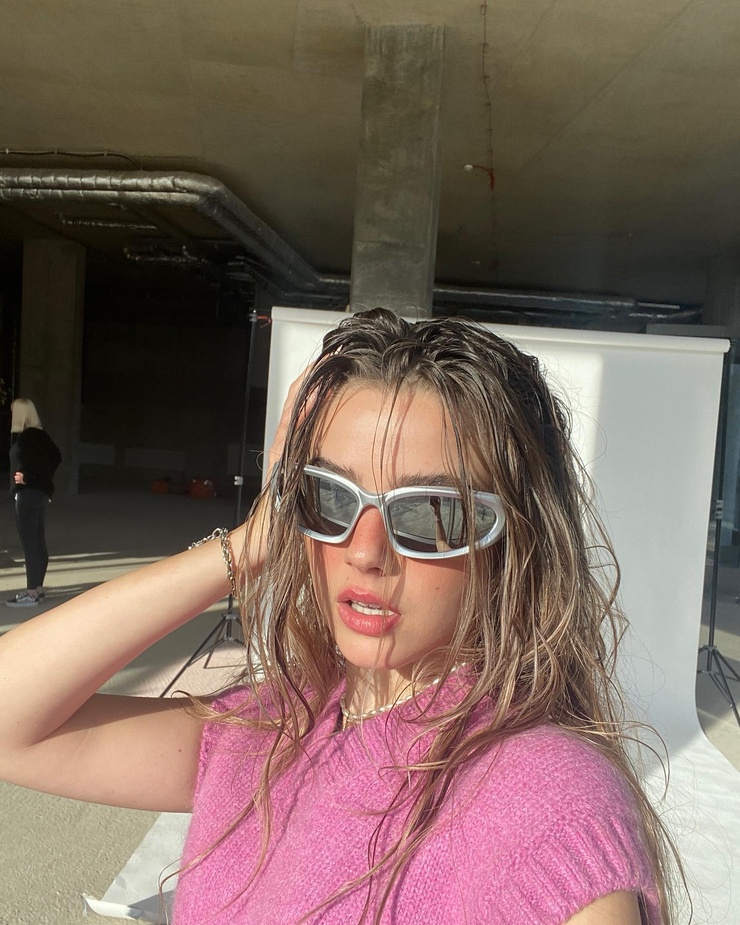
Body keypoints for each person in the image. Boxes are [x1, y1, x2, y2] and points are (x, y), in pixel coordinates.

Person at [0, 309, 679, 924]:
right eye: (330, 495)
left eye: (431, 513)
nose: (364, 550)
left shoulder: (547, 803)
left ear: (515, 541)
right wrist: (253, 543)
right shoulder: (268, 729)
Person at [6, 397, 62, 607]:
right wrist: (39, 480)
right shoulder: (41, 436)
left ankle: (31, 593)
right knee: (37, 541)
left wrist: (29, 478)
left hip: (28, 494)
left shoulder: (27, 438)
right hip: (38, 493)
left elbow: (43, 462)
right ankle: (37, 589)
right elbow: (55, 458)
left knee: (30, 543)